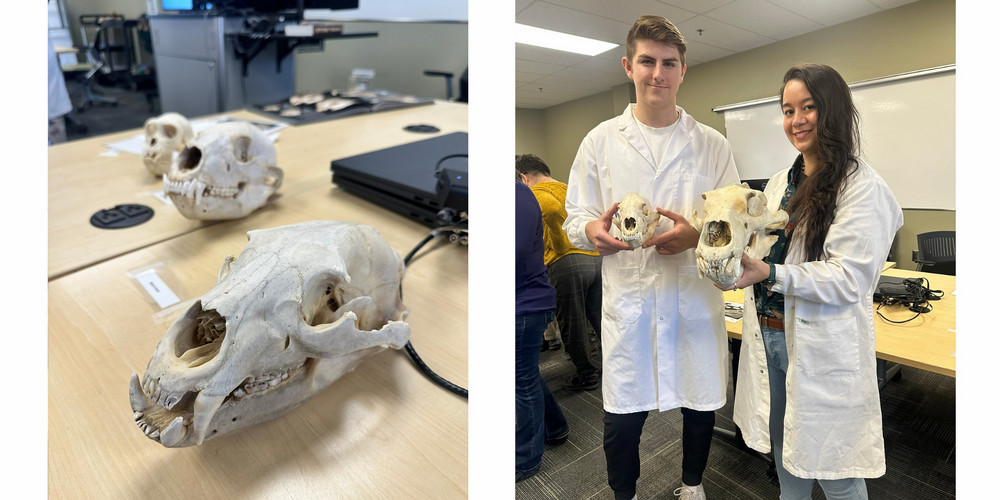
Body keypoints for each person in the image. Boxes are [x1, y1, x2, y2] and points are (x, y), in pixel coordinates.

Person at [563, 15, 741, 500]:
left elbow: (732, 221)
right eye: (647, 61)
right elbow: (574, 214)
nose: (657, 73)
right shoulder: (600, 141)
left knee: (700, 404)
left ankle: (691, 486)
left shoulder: (712, 144)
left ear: (684, 71)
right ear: (628, 66)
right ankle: (625, 494)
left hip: (691, 300)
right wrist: (591, 231)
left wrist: (694, 236)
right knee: (622, 415)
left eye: (669, 63)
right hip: (631, 303)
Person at [730, 63, 902, 499]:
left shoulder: (862, 187)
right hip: (770, 338)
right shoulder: (777, 184)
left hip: (819, 345)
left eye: (809, 107)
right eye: (788, 110)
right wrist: (735, 261)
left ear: (834, 112)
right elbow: (760, 247)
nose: (797, 119)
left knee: (835, 466)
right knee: (786, 454)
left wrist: (770, 273)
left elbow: (850, 278)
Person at [517, 153, 603, 391]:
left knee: (572, 322)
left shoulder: (534, 195)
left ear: (523, 178)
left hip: (567, 263)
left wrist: (558, 246)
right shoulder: (569, 188)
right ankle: (616, 367)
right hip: (595, 259)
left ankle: (587, 375)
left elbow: (549, 215)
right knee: (600, 318)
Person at [515, 178, 570, 482]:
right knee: (525, 374)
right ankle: (556, 427)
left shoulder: (518, 193)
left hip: (525, 303)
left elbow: (517, 250)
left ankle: (526, 459)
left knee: (521, 379)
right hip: (523, 300)